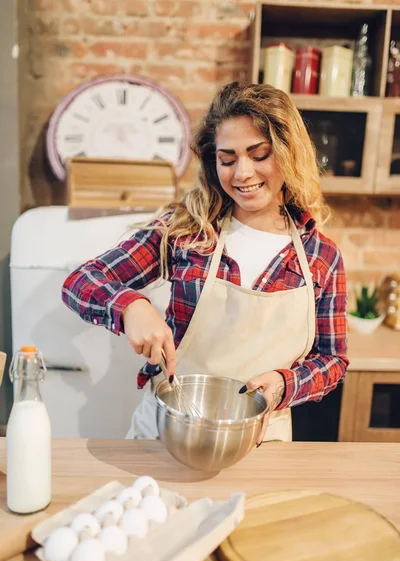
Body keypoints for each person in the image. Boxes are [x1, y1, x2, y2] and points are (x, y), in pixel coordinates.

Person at [62, 82, 348, 444]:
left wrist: (283, 385)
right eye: (227, 159)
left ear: (289, 154)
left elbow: (333, 359)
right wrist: (131, 306)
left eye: (259, 155)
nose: (242, 173)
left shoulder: (321, 257)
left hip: (262, 440)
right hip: (167, 431)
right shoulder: (185, 230)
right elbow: (81, 281)